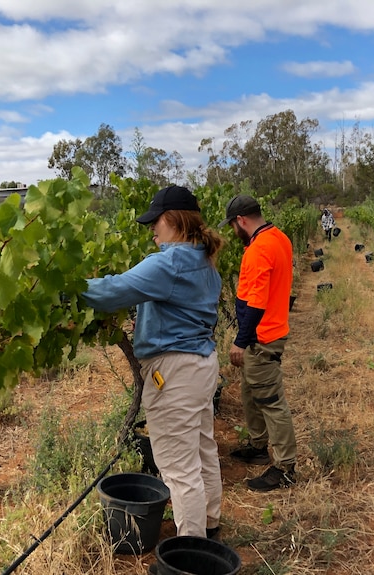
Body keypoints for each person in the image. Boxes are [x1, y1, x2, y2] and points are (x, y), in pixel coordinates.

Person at [81, 185, 224, 539]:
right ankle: (210, 523)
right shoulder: (204, 259)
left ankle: (192, 553)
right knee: (203, 449)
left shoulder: (170, 263)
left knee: (178, 467)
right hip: (202, 364)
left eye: (155, 221)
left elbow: (110, 292)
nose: (151, 229)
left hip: (174, 372)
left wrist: (62, 286)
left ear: (174, 220)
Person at [218, 195, 298, 492]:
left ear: (241, 220)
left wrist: (241, 341)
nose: (233, 232)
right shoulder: (279, 238)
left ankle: (285, 468)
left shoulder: (258, 249)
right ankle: (257, 444)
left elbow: (257, 303)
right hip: (268, 331)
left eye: (233, 226)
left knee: (271, 402)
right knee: (251, 391)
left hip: (262, 336)